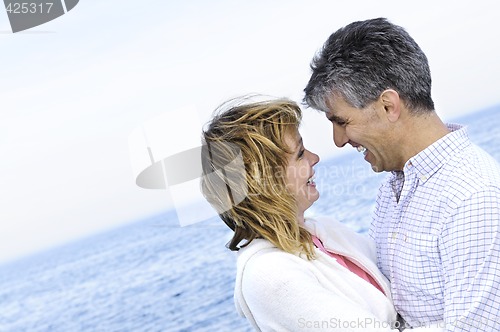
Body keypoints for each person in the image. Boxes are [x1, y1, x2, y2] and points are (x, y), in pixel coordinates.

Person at [303, 17, 500, 331]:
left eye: (341, 121)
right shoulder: (392, 189)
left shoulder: (473, 196)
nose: (338, 140)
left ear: (387, 106)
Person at [200, 98, 441, 331]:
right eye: (300, 154)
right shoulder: (269, 275)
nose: (315, 158)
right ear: (265, 181)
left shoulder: (325, 231)